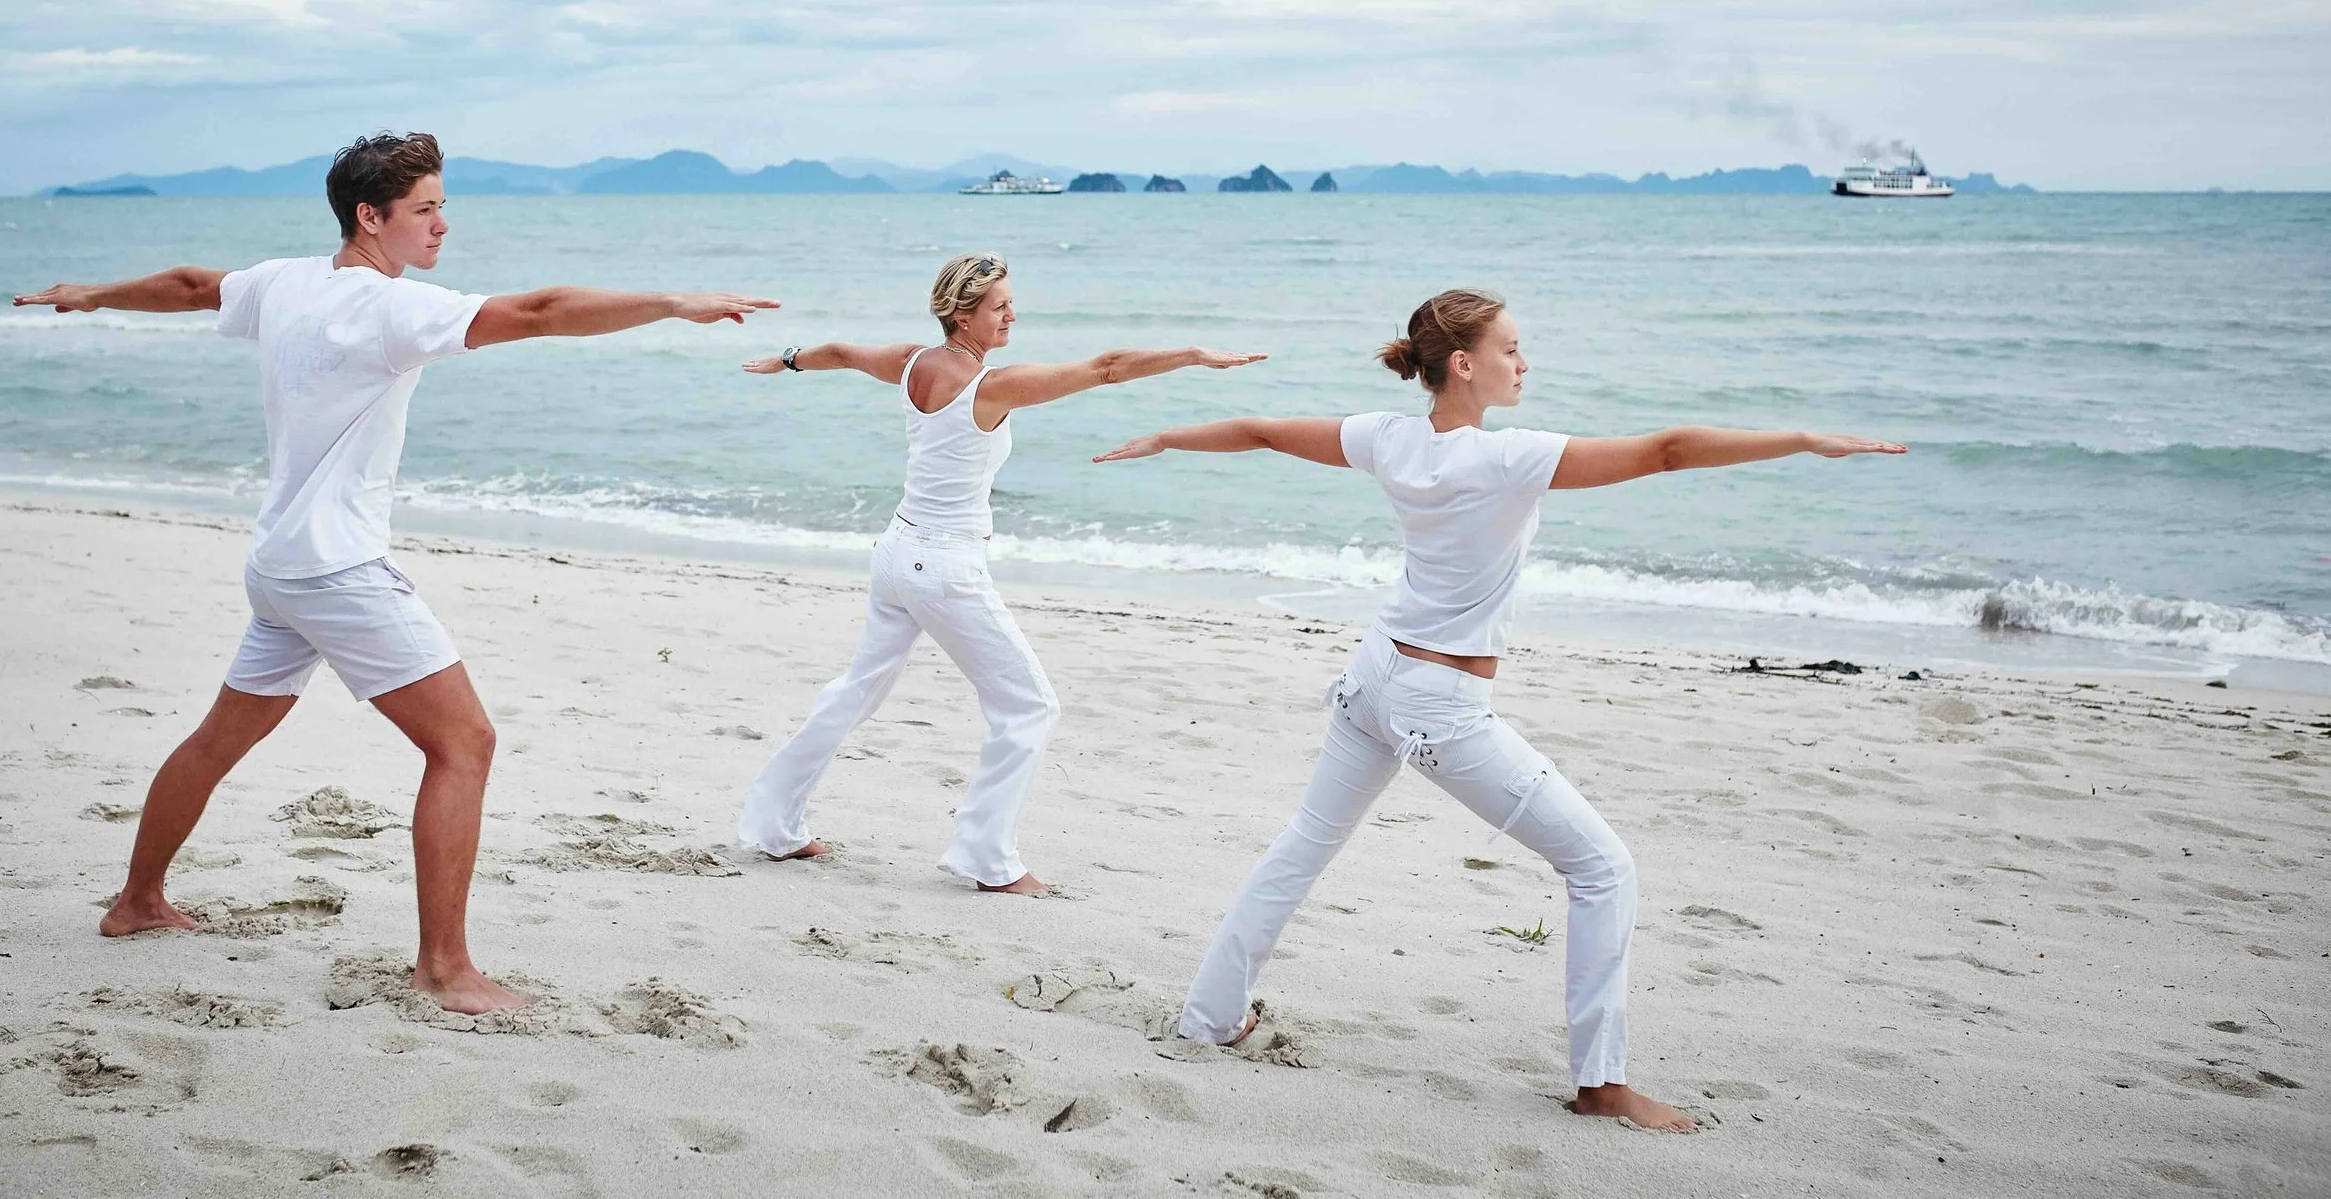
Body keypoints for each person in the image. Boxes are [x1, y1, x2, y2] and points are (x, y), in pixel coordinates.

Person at [1093, 288, 1904, 1129]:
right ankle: (1601, 1084)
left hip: (1373, 678)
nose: (1525, 363)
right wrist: (1805, 438)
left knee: (1304, 845)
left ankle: (1209, 1017)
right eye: (1513, 349)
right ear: (1464, 364)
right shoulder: (1506, 456)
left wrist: (1166, 437)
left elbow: (1261, 429)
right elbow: (1665, 451)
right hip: (1440, 705)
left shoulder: (1389, 436)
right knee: (1603, 868)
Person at [14, 132, 776, 1013]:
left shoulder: (286, 281)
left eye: (443, 205)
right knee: (465, 743)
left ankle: (137, 902)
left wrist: (91, 295)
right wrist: (672, 302)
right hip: (337, 568)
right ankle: (445, 968)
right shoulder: (389, 310)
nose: (443, 225)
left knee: (223, 736)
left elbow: (189, 286)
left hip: (281, 564)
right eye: (426, 209)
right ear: (370, 217)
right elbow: (537, 311)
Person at [736, 252, 1262, 896]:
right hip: (944, 568)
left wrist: (786, 361)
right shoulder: (991, 386)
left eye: (1011, 301)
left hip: (897, 552)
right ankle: (987, 858)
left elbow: (843, 352)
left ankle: (774, 826)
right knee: (1030, 706)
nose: (1012, 313)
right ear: (963, 314)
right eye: (999, 306)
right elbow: (1106, 369)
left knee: (856, 690)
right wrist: (1192, 355)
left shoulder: (909, 363)